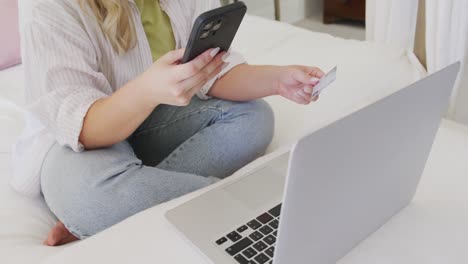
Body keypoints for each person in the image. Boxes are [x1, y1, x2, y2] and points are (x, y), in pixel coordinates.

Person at [15, 0, 324, 246]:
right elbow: (81, 126)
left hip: (154, 121)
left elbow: (213, 73)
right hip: (79, 141)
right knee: (93, 195)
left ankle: (112, 207)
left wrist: (279, 79)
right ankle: (241, 209)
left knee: (252, 117)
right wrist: (147, 90)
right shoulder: (48, 7)